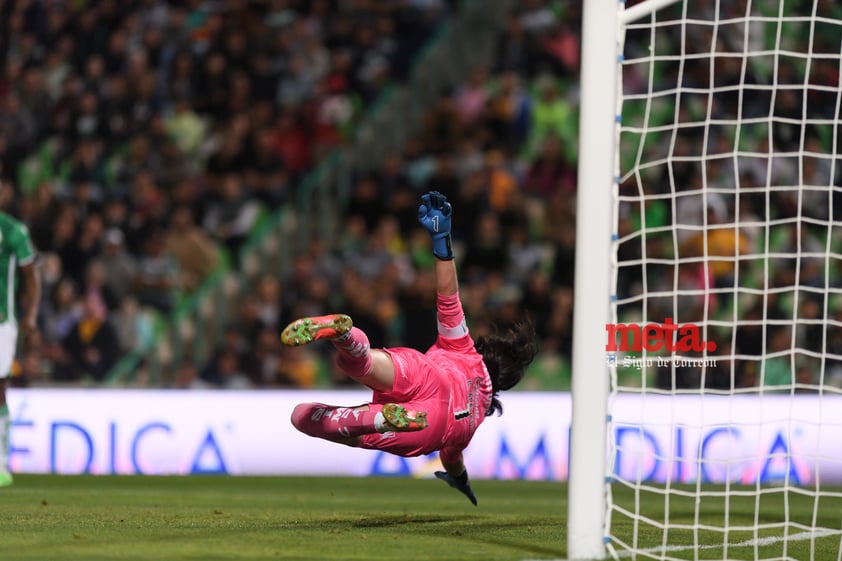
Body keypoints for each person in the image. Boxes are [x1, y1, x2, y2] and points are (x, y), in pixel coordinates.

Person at [282, 191, 537, 505]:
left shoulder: (464, 349)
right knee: (305, 418)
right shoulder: (475, 419)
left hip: (427, 374)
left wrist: (442, 241)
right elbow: (452, 459)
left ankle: (345, 338)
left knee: (365, 363)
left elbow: (448, 299)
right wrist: (460, 480)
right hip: (431, 423)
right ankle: (376, 419)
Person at [0, 180, 41, 487]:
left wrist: (30, 316)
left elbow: (31, 278)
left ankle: (1, 462)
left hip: (3, 321)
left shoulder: (14, 231)